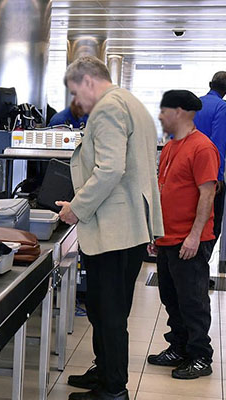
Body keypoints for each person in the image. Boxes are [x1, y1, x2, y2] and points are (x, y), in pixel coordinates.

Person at [55, 56, 163, 400]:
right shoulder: (131, 102)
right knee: (104, 307)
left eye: (76, 92)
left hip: (115, 229)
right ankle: (104, 373)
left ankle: (113, 390)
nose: (78, 102)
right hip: (130, 225)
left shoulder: (106, 108)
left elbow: (109, 169)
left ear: (88, 81)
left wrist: (77, 208)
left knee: (110, 312)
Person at [147, 90, 217, 380]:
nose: (161, 116)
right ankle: (179, 347)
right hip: (167, 237)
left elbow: (208, 193)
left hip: (190, 239)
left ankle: (201, 356)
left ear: (180, 112)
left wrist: (194, 236)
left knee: (193, 300)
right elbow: (164, 190)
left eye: (164, 111)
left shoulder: (202, 147)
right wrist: (155, 233)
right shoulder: (172, 146)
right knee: (171, 298)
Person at [193, 71, 226, 240]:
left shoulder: (194, 104)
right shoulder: (222, 108)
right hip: (208, 176)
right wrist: (217, 176)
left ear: (210, 84)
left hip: (187, 174)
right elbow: (218, 143)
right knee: (211, 226)